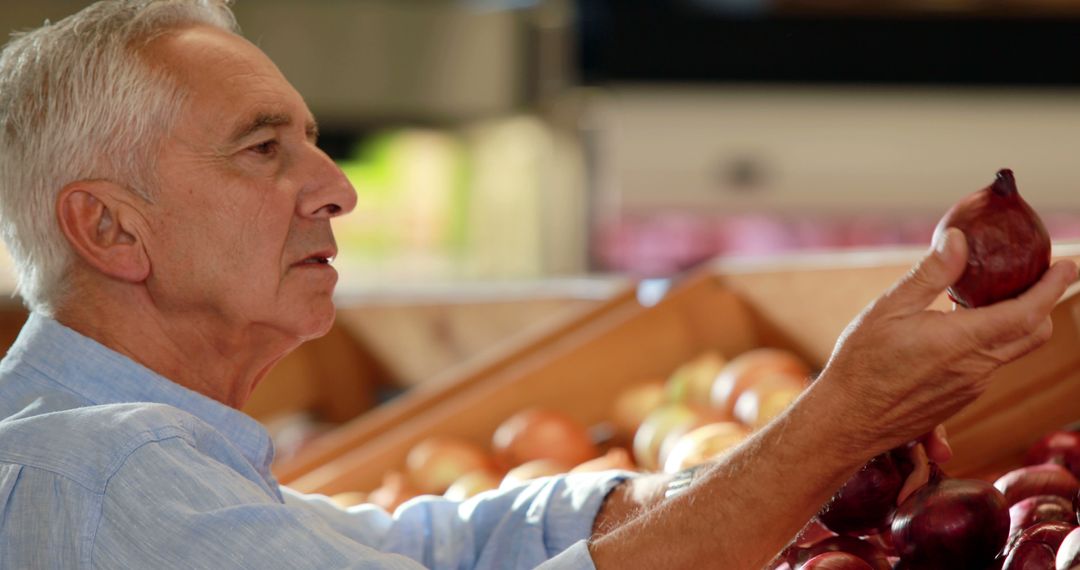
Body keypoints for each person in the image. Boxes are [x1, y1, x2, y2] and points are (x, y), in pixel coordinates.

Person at [0, 1, 1074, 569]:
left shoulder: (144, 452)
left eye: (315, 143)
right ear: (109, 228)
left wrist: (773, 464)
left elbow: (441, 548)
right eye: (263, 148)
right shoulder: (105, 472)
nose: (334, 189)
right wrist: (833, 429)